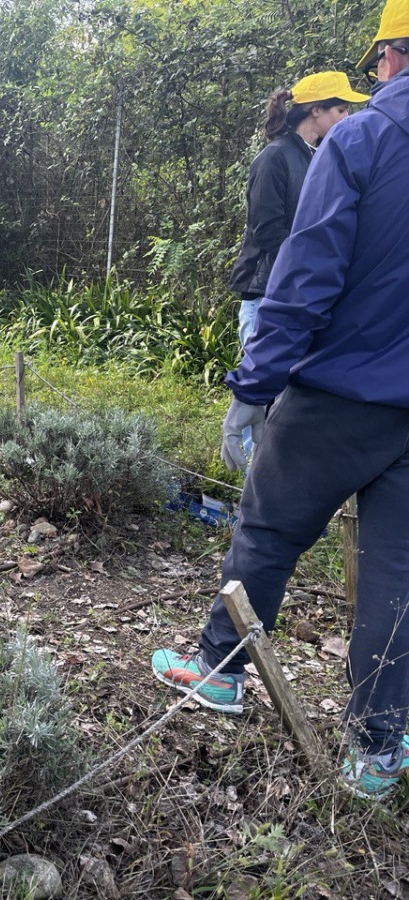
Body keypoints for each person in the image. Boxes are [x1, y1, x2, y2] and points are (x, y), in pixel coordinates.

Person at [153, 0, 409, 801]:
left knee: (266, 528)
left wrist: (253, 387)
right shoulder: (326, 145)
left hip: (341, 392)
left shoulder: (362, 141)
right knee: (398, 574)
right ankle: (377, 751)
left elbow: (305, 279)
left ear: (391, 57)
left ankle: (220, 670)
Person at [229, 73, 368, 351]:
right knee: (265, 380)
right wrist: (311, 265)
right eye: (341, 110)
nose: (347, 118)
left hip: (298, 293)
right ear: (316, 110)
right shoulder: (274, 157)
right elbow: (268, 231)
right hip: (267, 294)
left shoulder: (318, 156)